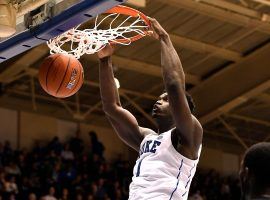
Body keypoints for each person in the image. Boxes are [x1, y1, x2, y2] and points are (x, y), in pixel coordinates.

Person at [97, 17, 203, 200]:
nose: (158, 101)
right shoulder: (146, 138)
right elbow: (111, 107)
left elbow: (174, 85)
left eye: (166, 100)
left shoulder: (189, 134)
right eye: (159, 98)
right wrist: (105, 60)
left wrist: (164, 37)